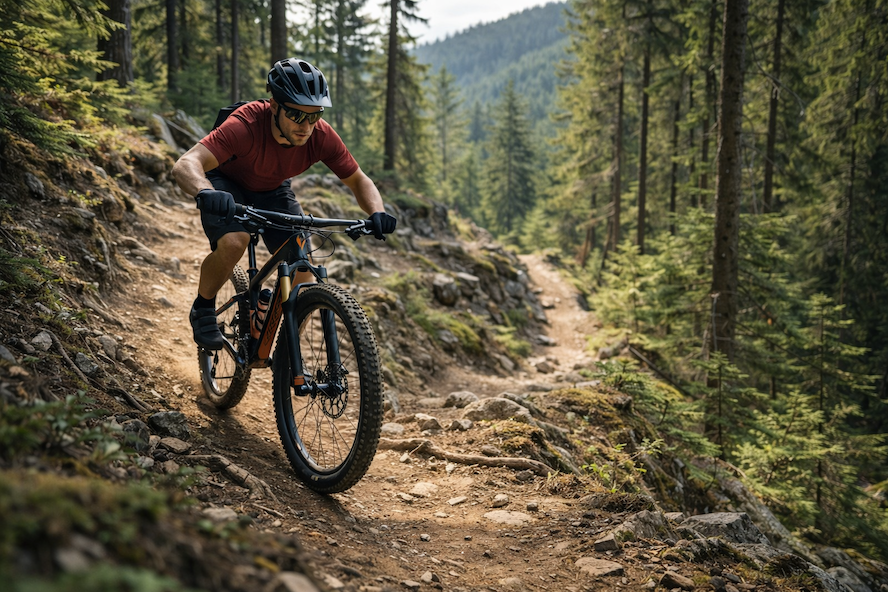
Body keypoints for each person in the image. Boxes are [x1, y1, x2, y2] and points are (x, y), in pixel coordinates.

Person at [172, 57, 397, 350]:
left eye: (314, 115)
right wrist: (205, 191)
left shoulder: (321, 135)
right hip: (225, 184)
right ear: (274, 105)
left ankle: (285, 351)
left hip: (272, 189)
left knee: (303, 269)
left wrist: (376, 212)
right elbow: (186, 163)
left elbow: (359, 180)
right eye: (296, 114)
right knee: (234, 241)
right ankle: (203, 308)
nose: (306, 125)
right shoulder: (246, 125)